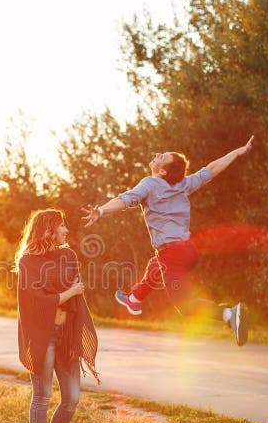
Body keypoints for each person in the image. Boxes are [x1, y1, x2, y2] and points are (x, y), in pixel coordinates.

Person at [81, 136, 254, 346]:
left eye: (162, 157)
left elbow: (125, 199)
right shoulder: (183, 184)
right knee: (156, 265)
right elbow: (211, 169)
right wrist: (237, 152)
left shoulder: (150, 185)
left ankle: (228, 313)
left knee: (184, 305)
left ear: (162, 171)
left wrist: (101, 210)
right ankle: (134, 299)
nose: (157, 155)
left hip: (173, 254)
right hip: (187, 251)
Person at [16, 209, 99, 423]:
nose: (66, 230)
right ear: (49, 229)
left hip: (67, 333)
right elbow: (33, 301)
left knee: (72, 398)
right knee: (42, 397)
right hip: (42, 335)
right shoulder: (27, 261)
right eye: (62, 226)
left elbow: (69, 291)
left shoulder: (68, 255)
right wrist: (66, 293)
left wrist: (63, 294)